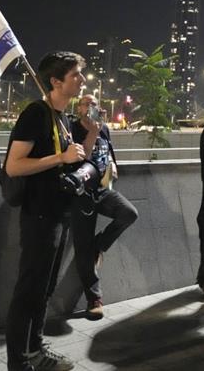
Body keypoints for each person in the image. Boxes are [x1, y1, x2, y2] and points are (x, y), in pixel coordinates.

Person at [5, 51, 87, 371]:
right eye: (76, 75)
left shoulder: (61, 117)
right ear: (55, 81)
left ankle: (34, 349)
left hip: (58, 213)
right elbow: (13, 166)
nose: (81, 79)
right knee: (30, 289)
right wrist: (61, 159)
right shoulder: (35, 114)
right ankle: (20, 361)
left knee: (44, 288)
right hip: (39, 216)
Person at [69, 94, 138, 321]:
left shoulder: (104, 129)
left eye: (95, 104)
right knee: (82, 247)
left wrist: (113, 166)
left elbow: (108, 151)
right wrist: (93, 132)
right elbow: (81, 159)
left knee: (128, 213)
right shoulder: (72, 129)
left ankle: (99, 245)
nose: (90, 107)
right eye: (86, 104)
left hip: (103, 190)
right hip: (81, 193)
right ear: (78, 108)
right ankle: (94, 299)